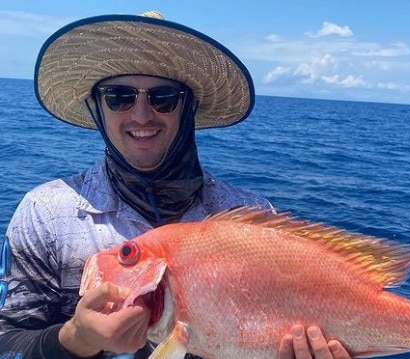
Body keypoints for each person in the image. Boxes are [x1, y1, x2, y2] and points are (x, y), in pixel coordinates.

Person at [0, 10, 351, 359]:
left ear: (189, 108)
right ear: (97, 107)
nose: (141, 115)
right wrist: (75, 338)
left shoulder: (252, 219)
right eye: (119, 97)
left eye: (163, 97)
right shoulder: (46, 214)